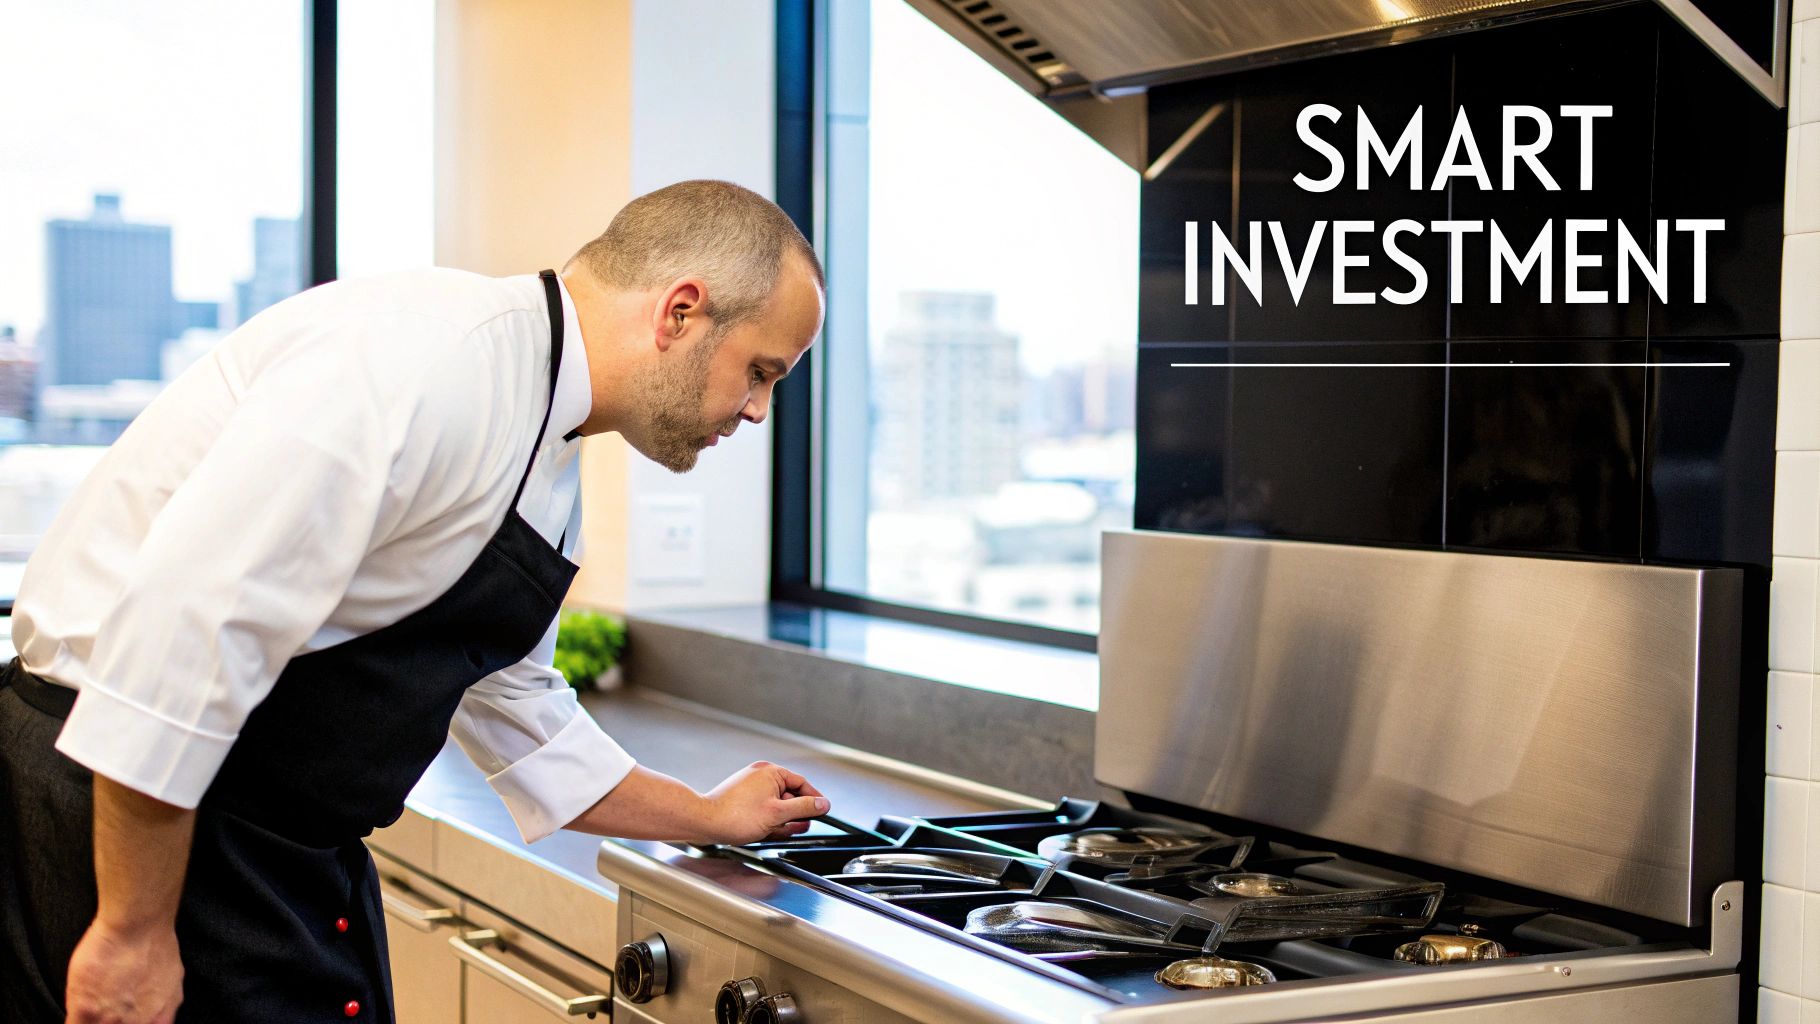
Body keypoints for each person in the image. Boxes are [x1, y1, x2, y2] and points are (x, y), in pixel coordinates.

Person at [0, 179, 828, 1024]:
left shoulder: (550, 452)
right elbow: (185, 626)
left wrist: (707, 813)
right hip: (130, 823)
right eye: (760, 371)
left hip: (275, 849)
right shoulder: (428, 360)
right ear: (680, 313)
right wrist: (132, 930)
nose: (759, 409)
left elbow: (521, 714)